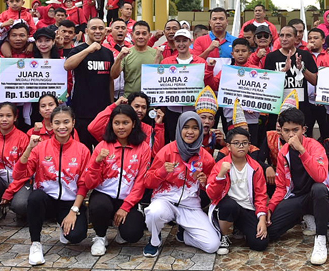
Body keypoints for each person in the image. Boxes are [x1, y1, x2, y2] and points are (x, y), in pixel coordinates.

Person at [16, 106, 90, 265]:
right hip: (46, 200)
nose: (62, 127)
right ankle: (35, 244)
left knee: (77, 237)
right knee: (35, 198)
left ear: (73, 123)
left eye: (66, 122)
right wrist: (29, 148)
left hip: (69, 203)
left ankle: (62, 222)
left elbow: (84, 184)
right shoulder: (41, 148)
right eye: (57, 123)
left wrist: (74, 210)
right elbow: (19, 174)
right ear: (50, 124)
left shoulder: (82, 150)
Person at [143, 112, 219, 256]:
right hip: (165, 200)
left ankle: (184, 234)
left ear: (200, 130)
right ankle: (154, 240)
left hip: (190, 205)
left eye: (195, 128)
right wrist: (162, 172)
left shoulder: (205, 157)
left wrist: (205, 182)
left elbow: (213, 186)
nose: (190, 132)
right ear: (179, 129)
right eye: (186, 127)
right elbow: (148, 181)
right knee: (154, 213)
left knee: (212, 245)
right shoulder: (167, 151)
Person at [266, 107, 329, 265]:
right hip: (297, 196)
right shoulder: (283, 153)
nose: (291, 135)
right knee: (271, 232)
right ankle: (304, 216)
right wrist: (270, 208)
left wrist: (302, 150)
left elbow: (320, 176)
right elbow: (281, 187)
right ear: (280, 131)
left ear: (304, 129)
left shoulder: (315, 146)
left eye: (296, 130)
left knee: (319, 188)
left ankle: (320, 239)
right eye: (287, 130)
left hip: (317, 196)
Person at [83, 104, 150, 256]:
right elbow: (89, 182)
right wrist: (96, 162)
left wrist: (126, 206)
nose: (120, 127)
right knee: (100, 206)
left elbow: (140, 181)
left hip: (127, 198)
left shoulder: (143, 147)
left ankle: (122, 230)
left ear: (134, 123)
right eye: (116, 123)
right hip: (103, 194)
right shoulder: (103, 146)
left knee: (133, 234)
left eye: (125, 123)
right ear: (111, 124)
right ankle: (100, 237)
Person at [207, 123, 269, 256]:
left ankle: (240, 227)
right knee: (230, 205)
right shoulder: (221, 165)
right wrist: (221, 175)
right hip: (228, 206)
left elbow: (260, 195)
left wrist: (262, 218)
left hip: (247, 208)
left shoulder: (255, 167)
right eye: (236, 143)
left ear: (249, 145)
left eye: (244, 143)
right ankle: (222, 234)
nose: (241, 146)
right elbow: (211, 193)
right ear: (228, 146)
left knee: (260, 244)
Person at [65, 18, 115, 150]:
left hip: (102, 112)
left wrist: (110, 105)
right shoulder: (78, 50)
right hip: (82, 111)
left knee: (103, 151)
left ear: (105, 31)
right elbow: (67, 65)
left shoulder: (108, 53)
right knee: (83, 151)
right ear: (87, 31)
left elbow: (110, 80)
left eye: (101, 28)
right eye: (94, 28)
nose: (97, 31)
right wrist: (88, 50)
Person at [264, 25, 319, 137]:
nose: (284, 38)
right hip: (279, 107)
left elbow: (314, 81)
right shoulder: (271, 57)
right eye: (282, 35)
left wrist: (302, 69)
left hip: (302, 107)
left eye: (288, 35)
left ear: (296, 38)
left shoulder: (305, 55)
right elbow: (268, 86)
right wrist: (283, 71)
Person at [111, 20, 160, 96]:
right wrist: (119, 58)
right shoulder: (126, 53)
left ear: (149, 35)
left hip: (151, 101)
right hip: (129, 101)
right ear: (132, 35)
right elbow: (114, 75)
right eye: (137, 33)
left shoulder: (157, 54)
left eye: (144, 33)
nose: (141, 36)